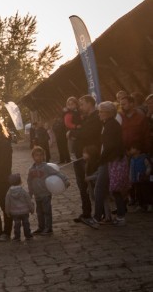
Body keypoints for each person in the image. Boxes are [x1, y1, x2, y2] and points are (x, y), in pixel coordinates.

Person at [68, 95, 102, 228]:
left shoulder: (95, 117)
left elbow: (87, 134)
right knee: (82, 186)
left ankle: (99, 213)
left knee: (90, 185)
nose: (80, 107)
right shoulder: (86, 118)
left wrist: (73, 134)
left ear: (89, 103)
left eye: (82, 104)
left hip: (88, 156)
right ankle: (86, 212)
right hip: (80, 155)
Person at [94, 101, 127, 226]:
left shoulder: (110, 125)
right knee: (115, 189)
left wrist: (100, 160)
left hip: (110, 161)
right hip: (112, 159)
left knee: (100, 188)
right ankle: (120, 216)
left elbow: (109, 146)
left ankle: (97, 217)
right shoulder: (109, 124)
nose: (99, 114)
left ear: (108, 112)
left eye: (101, 112)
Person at [27, 146, 69, 235]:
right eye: (36, 155)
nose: (38, 157)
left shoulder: (46, 167)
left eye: (40, 155)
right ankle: (41, 227)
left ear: (43, 156)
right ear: (33, 157)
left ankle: (48, 228)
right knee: (39, 212)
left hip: (46, 193)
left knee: (47, 211)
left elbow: (57, 173)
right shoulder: (31, 169)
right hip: (37, 194)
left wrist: (65, 181)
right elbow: (29, 181)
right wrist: (30, 193)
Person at [4, 173, 35, 241]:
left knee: (17, 225)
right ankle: (28, 235)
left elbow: (7, 203)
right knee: (26, 223)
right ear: (20, 181)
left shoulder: (9, 192)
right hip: (24, 211)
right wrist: (32, 209)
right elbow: (28, 200)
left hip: (15, 212)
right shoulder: (23, 191)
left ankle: (17, 237)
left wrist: (7, 212)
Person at [128, 144, 151, 212]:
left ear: (138, 151)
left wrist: (146, 173)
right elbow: (131, 169)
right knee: (138, 193)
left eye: (133, 148)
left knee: (145, 192)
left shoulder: (144, 158)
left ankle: (149, 204)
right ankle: (140, 205)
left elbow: (148, 166)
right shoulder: (132, 159)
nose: (131, 150)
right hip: (136, 179)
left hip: (143, 179)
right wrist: (130, 178)